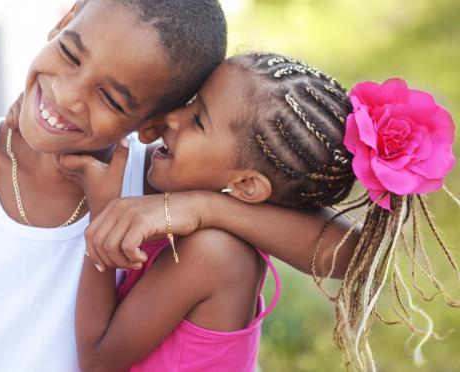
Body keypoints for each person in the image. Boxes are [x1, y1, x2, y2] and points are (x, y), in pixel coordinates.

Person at [0, 2, 360, 372]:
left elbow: (348, 254)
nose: (68, 95)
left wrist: (204, 208)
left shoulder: (164, 184)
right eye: (70, 54)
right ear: (67, 17)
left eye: (112, 99)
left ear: (154, 120)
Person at [65, 53, 458, 371]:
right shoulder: (216, 211)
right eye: (190, 101)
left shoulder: (214, 253)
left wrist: (106, 211)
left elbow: (99, 359)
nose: (173, 117)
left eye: (198, 120)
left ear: (247, 187)